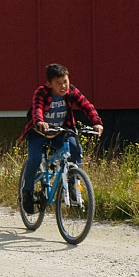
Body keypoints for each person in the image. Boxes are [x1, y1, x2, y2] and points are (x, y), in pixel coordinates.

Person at [19, 63, 103, 214]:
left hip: (60, 132)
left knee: (75, 150)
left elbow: (86, 105)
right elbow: (37, 107)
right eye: (58, 83)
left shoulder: (71, 92)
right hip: (39, 133)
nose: (63, 86)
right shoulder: (42, 92)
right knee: (35, 159)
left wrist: (96, 122)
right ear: (49, 84)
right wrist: (39, 121)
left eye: (65, 81)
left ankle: (72, 186)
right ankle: (27, 192)